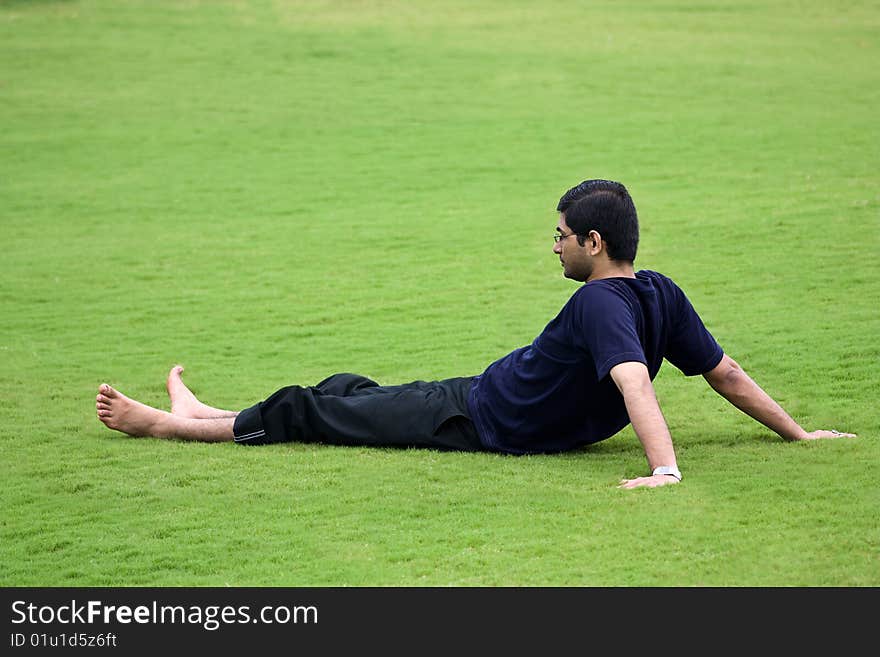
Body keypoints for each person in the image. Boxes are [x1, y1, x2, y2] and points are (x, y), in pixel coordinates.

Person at [96, 179, 855, 489]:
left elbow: (634, 384)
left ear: (593, 243)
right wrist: (797, 435)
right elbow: (725, 373)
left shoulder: (599, 305)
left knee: (322, 409)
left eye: (560, 235)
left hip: (475, 418)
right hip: (480, 398)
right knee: (348, 393)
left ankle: (169, 424)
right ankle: (210, 413)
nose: (552, 245)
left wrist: (665, 472)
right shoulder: (660, 291)